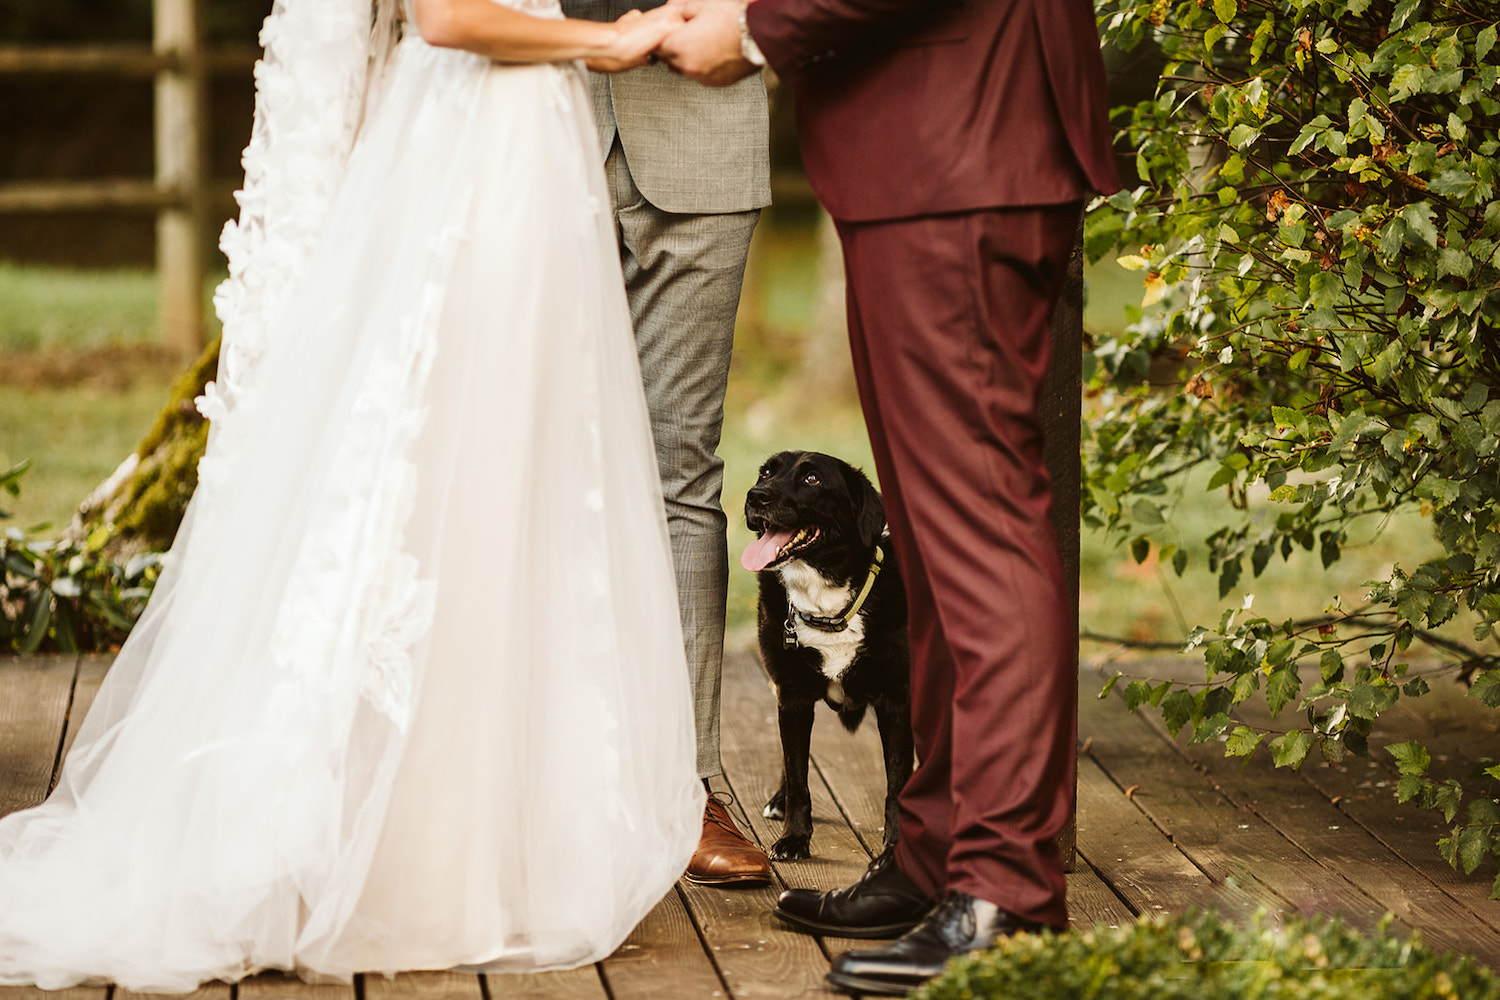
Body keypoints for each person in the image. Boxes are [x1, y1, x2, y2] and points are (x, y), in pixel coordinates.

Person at [0, 0, 708, 989]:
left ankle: (489, 843)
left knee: (507, 488)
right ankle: (392, 851)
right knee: (443, 485)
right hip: (477, 157)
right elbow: (449, 16)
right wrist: (611, 42)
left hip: (524, 149)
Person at [656, 0, 1121, 994]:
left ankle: (1005, 894)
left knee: (984, 533)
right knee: (942, 544)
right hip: (934, 147)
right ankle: (941, 855)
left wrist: (754, 28)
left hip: (960, 141)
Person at [558, 0, 773, 886]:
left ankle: (684, 787)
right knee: (500, 462)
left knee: (680, 473)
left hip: (703, 123)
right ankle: (524, 777)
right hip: (524, 124)